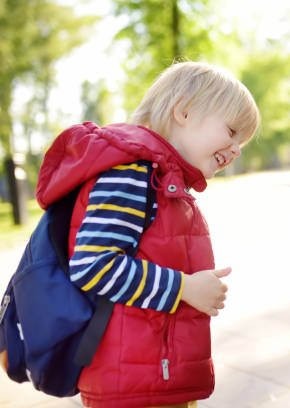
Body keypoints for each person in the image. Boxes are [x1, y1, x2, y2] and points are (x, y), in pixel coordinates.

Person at [35, 61, 260, 408]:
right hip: (134, 390)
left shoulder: (158, 179)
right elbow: (93, 265)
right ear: (183, 111)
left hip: (151, 380)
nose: (237, 148)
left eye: (241, 141)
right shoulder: (132, 175)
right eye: (232, 131)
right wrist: (185, 288)